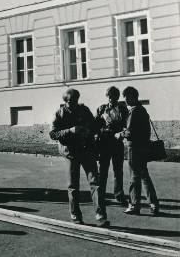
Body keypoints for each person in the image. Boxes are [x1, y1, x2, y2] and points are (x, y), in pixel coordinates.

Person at [50, 88, 109, 227]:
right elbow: (53, 134)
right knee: (73, 185)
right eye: (71, 102)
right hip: (71, 153)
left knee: (95, 182)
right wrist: (70, 131)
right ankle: (75, 213)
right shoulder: (59, 113)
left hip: (86, 149)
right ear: (65, 102)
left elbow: (94, 126)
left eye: (76, 100)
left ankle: (100, 214)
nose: (74, 104)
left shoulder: (84, 110)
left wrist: (94, 125)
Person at [115, 87, 159, 215]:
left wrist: (119, 134)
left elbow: (130, 132)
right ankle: (154, 204)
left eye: (128, 98)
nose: (126, 100)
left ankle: (134, 205)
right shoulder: (143, 110)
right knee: (144, 176)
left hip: (134, 148)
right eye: (125, 98)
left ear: (134, 97)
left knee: (134, 177)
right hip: (144, 147)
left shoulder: (134, 112)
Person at [95, 86, 129, 205]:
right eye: (109, 96)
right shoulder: (101, 109)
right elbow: (96, 125)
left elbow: (127, 125)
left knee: (118, 170)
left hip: (117, 143)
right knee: (103, 170)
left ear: (117, 97)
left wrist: (121, 133)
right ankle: (101, 194)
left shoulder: (122, 109)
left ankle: (119, 195)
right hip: (104, 143)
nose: (110, 98)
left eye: (113, 96)